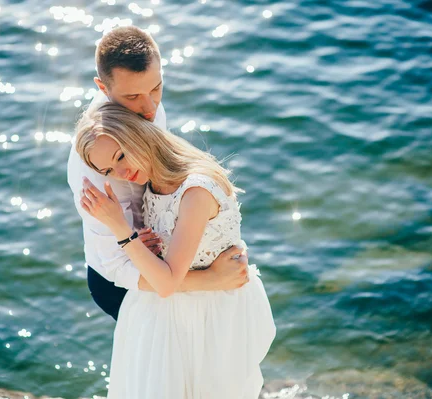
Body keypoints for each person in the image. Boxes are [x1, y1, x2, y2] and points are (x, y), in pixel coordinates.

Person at [75, 103, 276, 398]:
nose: (122, 173)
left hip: (209, 317)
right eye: (108, 170)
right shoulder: (153, 182)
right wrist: (147, 248)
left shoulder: (195, 191)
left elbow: (167, 283)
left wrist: (120, 228)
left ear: (137, 134)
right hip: (173, 316)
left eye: (120, 156)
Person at [67, 26, 250, 321]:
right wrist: (211, 280)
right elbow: (115, 264)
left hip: (163, 265)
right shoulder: (93, 167)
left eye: (156, 88)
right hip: (125, 285)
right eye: (134, 96)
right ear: (104, 88)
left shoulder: (146, 109)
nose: (150, 106)